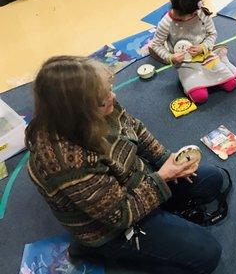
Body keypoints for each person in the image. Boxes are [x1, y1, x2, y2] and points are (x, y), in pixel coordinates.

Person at [26, 56, 223, 274]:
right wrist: (163, 178)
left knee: (212, 179)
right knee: (208, 254)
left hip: (136, 183)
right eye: (103, 99)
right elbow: (119, 215)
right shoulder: (66, 160)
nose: (113, 96)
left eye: (109, 89)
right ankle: (104, 250)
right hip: (110, 226)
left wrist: (165, 159)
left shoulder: (100, 104)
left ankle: (160, 212)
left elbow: (134, 129)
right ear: (79, 112)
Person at [149, 0, 236, 104]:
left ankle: (221, 57)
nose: (187, 18)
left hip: (206, 56)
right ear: (174, 8)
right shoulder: (166, 23)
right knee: (200, 97)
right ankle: (219, 58)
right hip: (185, 63)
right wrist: (170, 57)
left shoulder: (201, 13)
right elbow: (156, 45)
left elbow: (212, 34)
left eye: (191, 14)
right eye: (182, 15)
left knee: (231, 84)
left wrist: (203, 47)